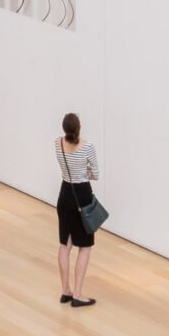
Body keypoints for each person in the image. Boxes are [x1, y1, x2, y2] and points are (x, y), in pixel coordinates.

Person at [54, 111, 101, 308]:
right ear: (79, 127)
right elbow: (95, 174)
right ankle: (78, 294)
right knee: (85, 246)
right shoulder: (88, 147)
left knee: (65, 245)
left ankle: (66, 291)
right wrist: (86, 172)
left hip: (65, 194)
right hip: (82, 196)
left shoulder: (57, 143)